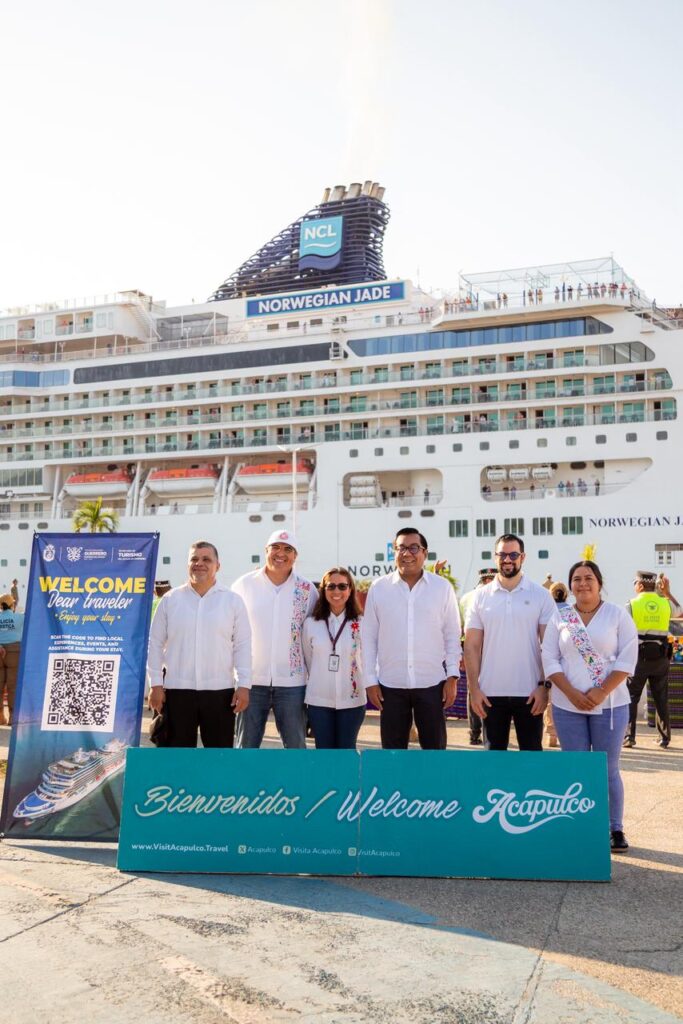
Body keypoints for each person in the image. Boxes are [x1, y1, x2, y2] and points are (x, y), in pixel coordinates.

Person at [542, 561, 638, 852]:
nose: (583, 583)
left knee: (607, 768)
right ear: (570, 585)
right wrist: (571, 693)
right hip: (567, 704)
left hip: (610, 703)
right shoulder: (560, 617)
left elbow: (628, 658)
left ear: (599, 582)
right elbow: (549, 657)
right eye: (576, 579)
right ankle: (579, 825)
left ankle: (615, 828)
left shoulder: (617, 615)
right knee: (576, 768)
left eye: (588, 578)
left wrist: (601, 690)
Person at [362, 529, 461, 750]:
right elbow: (368, 637)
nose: (407, 553)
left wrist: (452, 676)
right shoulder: (379, 588)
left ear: (425, 553)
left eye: (414, 548)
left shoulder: (441, 588)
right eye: (401, 548)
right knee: (393, 754)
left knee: (434, 752)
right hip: (390, 685)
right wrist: (370, 680)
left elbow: (452, 634)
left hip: (432, 684)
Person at [147, 542, 251, 747]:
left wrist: (244, 685)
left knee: (218, 756)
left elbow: (243, 645)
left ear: (217, 566)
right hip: (176, 691)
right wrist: (156, 684)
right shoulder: (170, 600)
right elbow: (155, 643)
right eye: (194, 559)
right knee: (177, 756)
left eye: (206, 559)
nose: (199, 563)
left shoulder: (233, 601)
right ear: (187, 564)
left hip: (220, 692)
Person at [465, 534, 556, 751]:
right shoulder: (480, 597)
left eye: (513, 555)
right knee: (494, 761)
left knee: (531, 759)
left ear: (522, 557)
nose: (507, 559)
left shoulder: (541, 596)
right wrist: (474, 689)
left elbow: (549, 645)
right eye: (502, 555)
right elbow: (471, 646)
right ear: (495, 557)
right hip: (490, 694)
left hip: (530, 692)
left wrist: (544, 687)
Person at [233, 530, 317, 749]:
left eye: (288, 549)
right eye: (276, 547)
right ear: (266, 551)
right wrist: (237, 678)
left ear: (295, 556)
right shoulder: (243, 585)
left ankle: (296, 776)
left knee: (296, 748)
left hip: (293, 684)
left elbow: (314, 636)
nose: (281, 553)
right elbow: (231, 632)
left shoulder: (307, 590)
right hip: (251, 683)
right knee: (245, 748)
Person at [303, 567, 365, 749]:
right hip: (319, 700)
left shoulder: (361, 623)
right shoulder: (311, 624)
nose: (336, 591)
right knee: (324, 753)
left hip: (352, 700)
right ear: (323, 590)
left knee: (347, 751)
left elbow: (366, 660)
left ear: (350, 590)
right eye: (331, 586)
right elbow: (308, 660)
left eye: (342, 586)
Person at [623, 570, 673, 748]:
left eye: (635, 583)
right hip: (661, 657)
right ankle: (664, 738)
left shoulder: (631, 604)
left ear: (640, 585)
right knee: (661, 697)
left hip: (639, 657)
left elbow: (623, 630)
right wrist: (666, 592)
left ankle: (629, 737)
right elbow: (679, 611)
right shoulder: (665, 603)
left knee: (631, 696)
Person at [459, 568, 496, 745]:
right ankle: (491, 731)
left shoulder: (465, 597)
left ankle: (474, 733)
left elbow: (460, 628)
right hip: (491, 649)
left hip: (470, 648)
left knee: (472, 688)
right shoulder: (493, 596)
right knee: (491, 689)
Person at [0, 594, 24, 726]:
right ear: (12, 605)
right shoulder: (19, 617)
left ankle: (0, 717)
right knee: (12, 686)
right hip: (14, 652)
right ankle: (12, 718)